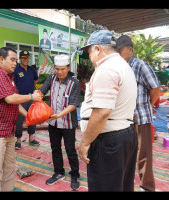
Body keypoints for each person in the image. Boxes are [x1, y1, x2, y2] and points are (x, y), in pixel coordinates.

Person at [78, 30, 138, 192]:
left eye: (89, 52)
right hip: (124, 134)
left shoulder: (107, 69)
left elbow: (102, 112)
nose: (89, 57)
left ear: (98, 49)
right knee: (121, 185)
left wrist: (85, 143)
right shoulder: (123, 66)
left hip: (109, 141)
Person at [0, 47, 42, 191]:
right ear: (2, 60)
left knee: (8, 168)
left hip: (8, 131)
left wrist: (30, 116)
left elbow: (16, 103)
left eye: (16, 60)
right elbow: (9, 99)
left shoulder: (10, 78)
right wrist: (32, 96)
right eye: (12, 60)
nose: (15, 63)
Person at [116, 35, 161, 192]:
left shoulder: (140, 66)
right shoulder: (120, 68)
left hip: (141, 118)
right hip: (125, 120)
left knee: (144, 156)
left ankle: (147, 187)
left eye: (120, 51)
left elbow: (156, 88)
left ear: (130, 50)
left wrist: (148, 104)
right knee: (127, 155)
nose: (118, 54)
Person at [39, 54, 81, 191]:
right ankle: (59, 172)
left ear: (68, 68)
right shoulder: (51, 79)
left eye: (62, 69)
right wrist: (35, 97)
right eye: (57, 69)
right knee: (55, 148)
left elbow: (73, 105)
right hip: (53, 124)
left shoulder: (74, 83)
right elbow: (41, 92)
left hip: (68, 123)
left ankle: (75, 174)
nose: (59, 72)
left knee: (70, 150)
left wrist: (58, 115)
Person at [13, 50, 39, 149]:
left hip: (31, 98)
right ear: (20, 59)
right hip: (20, 99)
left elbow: (36, 80)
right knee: (19, 120)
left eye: (27, 58)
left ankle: (31, 138)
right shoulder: (16, 69)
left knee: (32, 118)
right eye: (24, 58)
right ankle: (18, 140)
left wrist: (31, 88)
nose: (26, 60)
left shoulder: (32, 69)